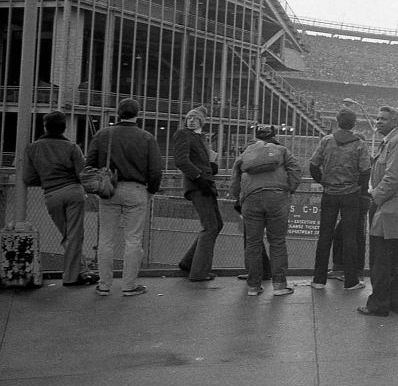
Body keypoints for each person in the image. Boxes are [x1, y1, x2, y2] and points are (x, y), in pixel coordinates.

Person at [85, 98, 162, 297]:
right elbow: (155, 170)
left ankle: (104, 285)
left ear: (118, 113)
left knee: (106, 239)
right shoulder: (146, 137)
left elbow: (90, 163)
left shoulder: (103, 135)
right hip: (136, 190)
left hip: (109, 189)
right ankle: (129, 286)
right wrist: (151, 190)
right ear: (138, 114)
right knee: (133, 240)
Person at [357, 106, 398, 317]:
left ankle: (379, 304)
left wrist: (375, 197)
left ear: (395, 121)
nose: (378, 121)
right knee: (393, 259)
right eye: (377, 118)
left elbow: (394, 177)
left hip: (388, 206)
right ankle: (396, 303)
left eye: (383, 118)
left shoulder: (397, 142)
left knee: (381, 259)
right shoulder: (395, 140)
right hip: (391, 205)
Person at [23, 110, 97, 286]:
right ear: (64, 128)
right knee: (75, 235)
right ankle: (72, 277)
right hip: (73, 192)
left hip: (51, 194)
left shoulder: (32, 148)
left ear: (45, 127)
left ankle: (82, 271)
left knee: (67, 235)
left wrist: (46, 179)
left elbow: (28, 178)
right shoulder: (72, 148)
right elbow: (83, 175)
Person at [229, 124, 302, 297]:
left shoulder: (245, 153)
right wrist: (288, 189)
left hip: (251, 199)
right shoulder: (282, 151)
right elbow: (296, 171)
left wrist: (240, 195)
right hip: (277, 198)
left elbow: (234, 182)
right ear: (274, 135)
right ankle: (279, 286)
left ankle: (253, 286)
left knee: (253, 243)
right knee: (277, 242)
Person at [309, 107, 371, 290]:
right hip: (351, 194)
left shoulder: (326, 141)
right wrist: (358, 187)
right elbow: (366, 170)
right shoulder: (360, 144)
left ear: (338, 121)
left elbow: (313, 165)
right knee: (350, 237)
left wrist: (324, 182)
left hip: (329, 193)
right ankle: (351, 280)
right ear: (353, 124)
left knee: (324, 236)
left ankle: (318, 279)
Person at [173, 106, 223, 281]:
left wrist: (211, 168)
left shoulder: (200, 138)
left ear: (202, 120)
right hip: (198, 185)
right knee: (210, 227)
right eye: (188, 118)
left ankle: (188, 262)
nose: (191, 120)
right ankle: (199, 272)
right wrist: (199, 176)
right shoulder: (183, 134)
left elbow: (198, 161)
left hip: (205, 184)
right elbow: (181, 160)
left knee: (217, 224)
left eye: (194, 118)